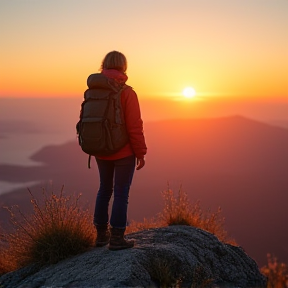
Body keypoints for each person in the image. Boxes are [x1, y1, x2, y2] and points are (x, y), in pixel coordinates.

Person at [89, 51, 147, 250]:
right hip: (123, 152)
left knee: (104, 189)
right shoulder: (127, 92)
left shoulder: (94, 90)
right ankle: (116, 238)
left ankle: (100, 236)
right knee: (121, 193)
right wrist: (141, 152)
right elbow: (134, 126)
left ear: (104, 65)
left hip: (100, 149)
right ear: (124, 67)